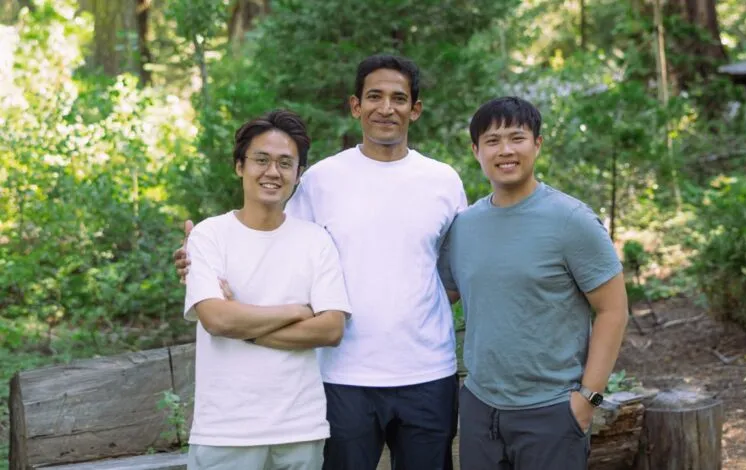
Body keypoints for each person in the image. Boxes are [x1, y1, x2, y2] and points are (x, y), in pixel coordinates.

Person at [176, 55, 466, 470]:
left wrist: (422, 303)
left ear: (415, 109)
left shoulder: (443, 180)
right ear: (355, 105)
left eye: (399, 98)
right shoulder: (322, 179)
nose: (387, 107)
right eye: (375, 96)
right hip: (340, 375)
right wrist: (201, 260)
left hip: (428, 372)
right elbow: (274, 244)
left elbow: (457, 271)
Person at [437, 96, 629, 470]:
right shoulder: (463, 226)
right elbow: (440, 295)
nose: (505, 150)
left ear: (537, 144)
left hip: (552, 412)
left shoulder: (570, 220)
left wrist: (586, 400)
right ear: (476, 150)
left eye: (517, 138)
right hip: (479, 408)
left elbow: (613, 310)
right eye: (492, 141)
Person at [183, 110, 351, 470]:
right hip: (225, 433)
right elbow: (215, 319)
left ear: (298, 174)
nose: (272, 172)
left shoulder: (315, 240)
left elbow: (331, 328)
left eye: (285, 163)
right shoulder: (209, 235)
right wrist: (296, 311)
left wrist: (242, 321)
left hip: (300, 430)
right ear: (240, 166)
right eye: (261, 160)